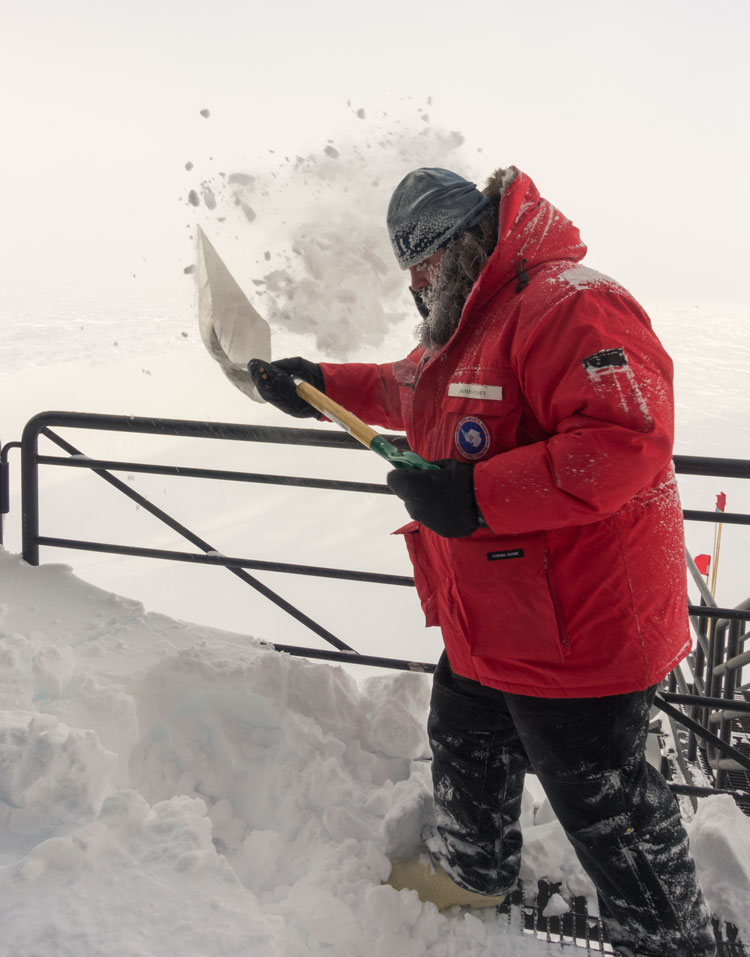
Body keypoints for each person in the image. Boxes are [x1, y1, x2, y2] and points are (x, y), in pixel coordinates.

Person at [248, 166, 717, 956]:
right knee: (464, 729)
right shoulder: (473, 317)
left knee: (605, 806)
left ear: (464, 244)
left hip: (580, 632)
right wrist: (319, 384)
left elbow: (625, 441)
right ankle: (473, 869)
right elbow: (410, 390)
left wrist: (478, 496)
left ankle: (669, 941)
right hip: (502, 621)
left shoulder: (572, 303)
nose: (415, 283)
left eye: (423, 264)